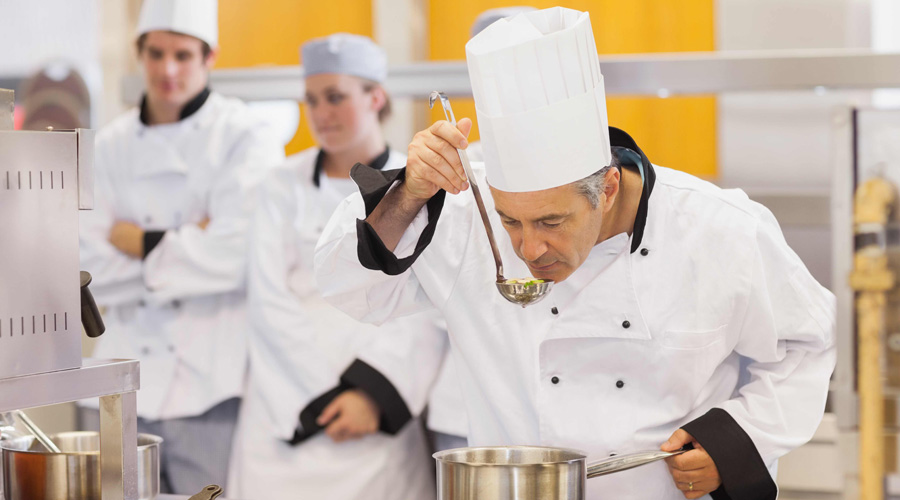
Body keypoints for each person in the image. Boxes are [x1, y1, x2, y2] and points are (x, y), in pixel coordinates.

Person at [315, 7, 836, 500]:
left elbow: (807, 343)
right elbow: (347, 285)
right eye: (510, 220)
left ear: (607, 189)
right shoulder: (462, 212)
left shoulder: (718, 230)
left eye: (551, 222)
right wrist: (407, 194)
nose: (529, 248)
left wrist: (733, 442)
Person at [78, 0, 284, 493]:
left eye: (183, 55)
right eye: (156, 54)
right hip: (116, 382)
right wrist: (193, 241)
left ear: (210, 57)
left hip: (211, 385)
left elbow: (237, 258)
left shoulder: (245, 136)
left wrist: (137, 241)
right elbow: (85, 269)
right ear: (139, 53)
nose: (168, 70)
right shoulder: (106, 146)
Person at [227, 33, 442, 499]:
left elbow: (430, 303)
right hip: (284, 407)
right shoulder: (279, 184)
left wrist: (371, 393)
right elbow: (267, 300)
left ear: (375, 97)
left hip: (375, 411)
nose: (321, 113)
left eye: (335, 97)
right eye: (311, 100)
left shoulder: (420, 183)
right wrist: (319, 395)